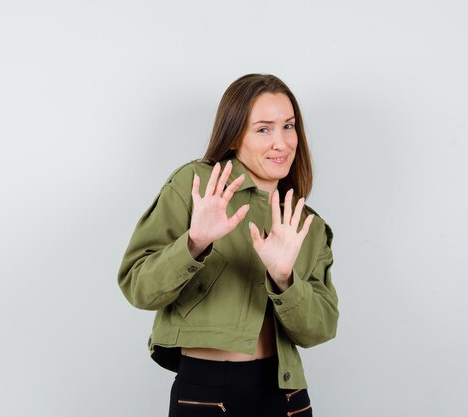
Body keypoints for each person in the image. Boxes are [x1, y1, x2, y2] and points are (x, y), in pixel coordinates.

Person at [118, 74, 339, 417]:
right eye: (264, 129)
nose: (281, 143)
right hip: (209, 391)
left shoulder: (305, 223)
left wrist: (285, 280)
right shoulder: (197, 186)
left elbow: (320, 328)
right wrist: (194, 243)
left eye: (289, 126)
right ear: (235, 135)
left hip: (286, 394)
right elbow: (139, 288)